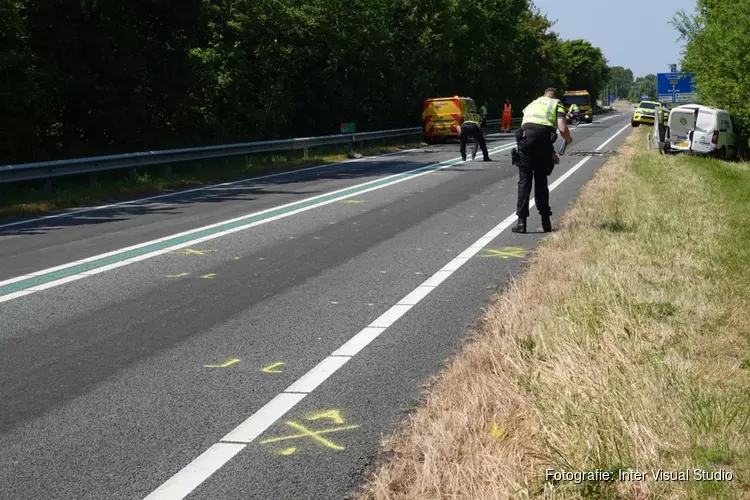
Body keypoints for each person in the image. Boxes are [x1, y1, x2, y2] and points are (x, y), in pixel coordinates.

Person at [511, 88, 572, 233]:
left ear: (543, 95)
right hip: (542, 141)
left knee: (524, 182)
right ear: (555, 96)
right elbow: (562, 128)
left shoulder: (532, 104)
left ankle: (521, 223)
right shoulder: (556, 104)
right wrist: (568, 139)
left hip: (524, 140)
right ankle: (546, 222)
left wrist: (550, 151)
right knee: (541, 182)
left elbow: (530, 129)